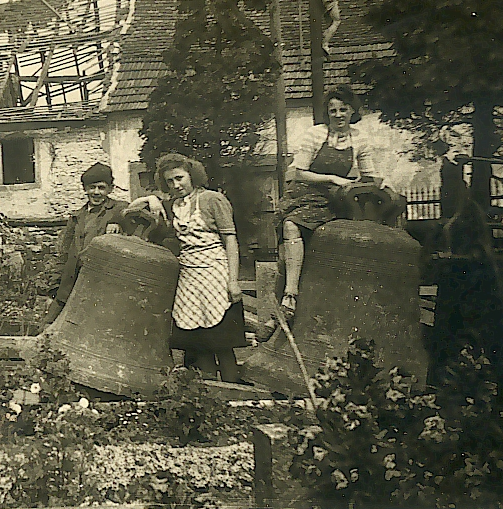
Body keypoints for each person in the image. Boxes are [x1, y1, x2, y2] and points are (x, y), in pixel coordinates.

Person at [264, 84, 378, 340]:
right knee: (291, 226)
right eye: (332, 110)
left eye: (343, 109)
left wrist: (373, 186)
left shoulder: (360, 138)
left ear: (352, 111)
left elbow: (371, 175)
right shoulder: (316, 135)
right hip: (306, 192)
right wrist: (332, 178)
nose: (338, 115)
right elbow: (297, 172)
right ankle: (289, 297)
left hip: (336, 199)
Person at [128, 154, 245, 382]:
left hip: (215, 270)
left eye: (180, 178)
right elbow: (130, 209)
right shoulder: (173, 205)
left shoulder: (212, 199)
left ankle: (233, 388)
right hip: (189, 273)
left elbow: (231, 240)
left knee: (221, 339)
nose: (176, 185)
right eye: (169, 181)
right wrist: (152, 198)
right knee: (198, 340)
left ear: (193, 175)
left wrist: (233, 280)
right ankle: (207, 390)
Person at [44, 162, 128, 324]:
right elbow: (63, 254)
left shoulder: (118, 209)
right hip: (70, 282)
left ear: (110, 189)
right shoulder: (76, 217)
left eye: (102, 188)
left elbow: (134, 209)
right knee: (48, 326)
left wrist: (118, 220)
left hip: (99, 283)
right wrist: (53, 290)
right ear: (85, 189)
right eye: (92, 187)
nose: (96, 192)